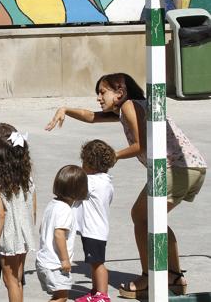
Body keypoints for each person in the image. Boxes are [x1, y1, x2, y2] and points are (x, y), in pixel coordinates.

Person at [45, 72, 207, 298]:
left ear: (120, 92)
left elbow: (140, 144)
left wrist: (112, 156)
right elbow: (92, 116)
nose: (99, 98)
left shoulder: (129, 105)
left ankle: (150, 276)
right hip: (192, 166)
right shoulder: (129, 108)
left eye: (102, 92)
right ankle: (174, 276)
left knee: (142, 217)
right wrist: (66, 109)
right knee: (152, 219)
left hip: (175, 167)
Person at [0, 123, 36, 302]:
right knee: (18, 279)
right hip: (24, 232)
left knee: (10, 280)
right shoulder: (27, 178)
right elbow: (32, 207)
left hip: (9, 236)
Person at [36, 165, 88, 302]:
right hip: (55, 265)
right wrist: (65, 259)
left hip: (45, 261)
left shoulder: (52, 204)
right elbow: (59, 234)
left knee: (57, 296)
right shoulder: (65, 210)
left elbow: (42, 228)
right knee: (62, 297)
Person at [73, 140, 116, 302]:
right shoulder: (106, 181)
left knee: (98, 263)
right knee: (93, 262)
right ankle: (95, 291)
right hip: (98, 228)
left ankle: (102, 295)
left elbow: (76, 192)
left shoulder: (91, 182)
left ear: (90, 164)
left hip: (92, 229)